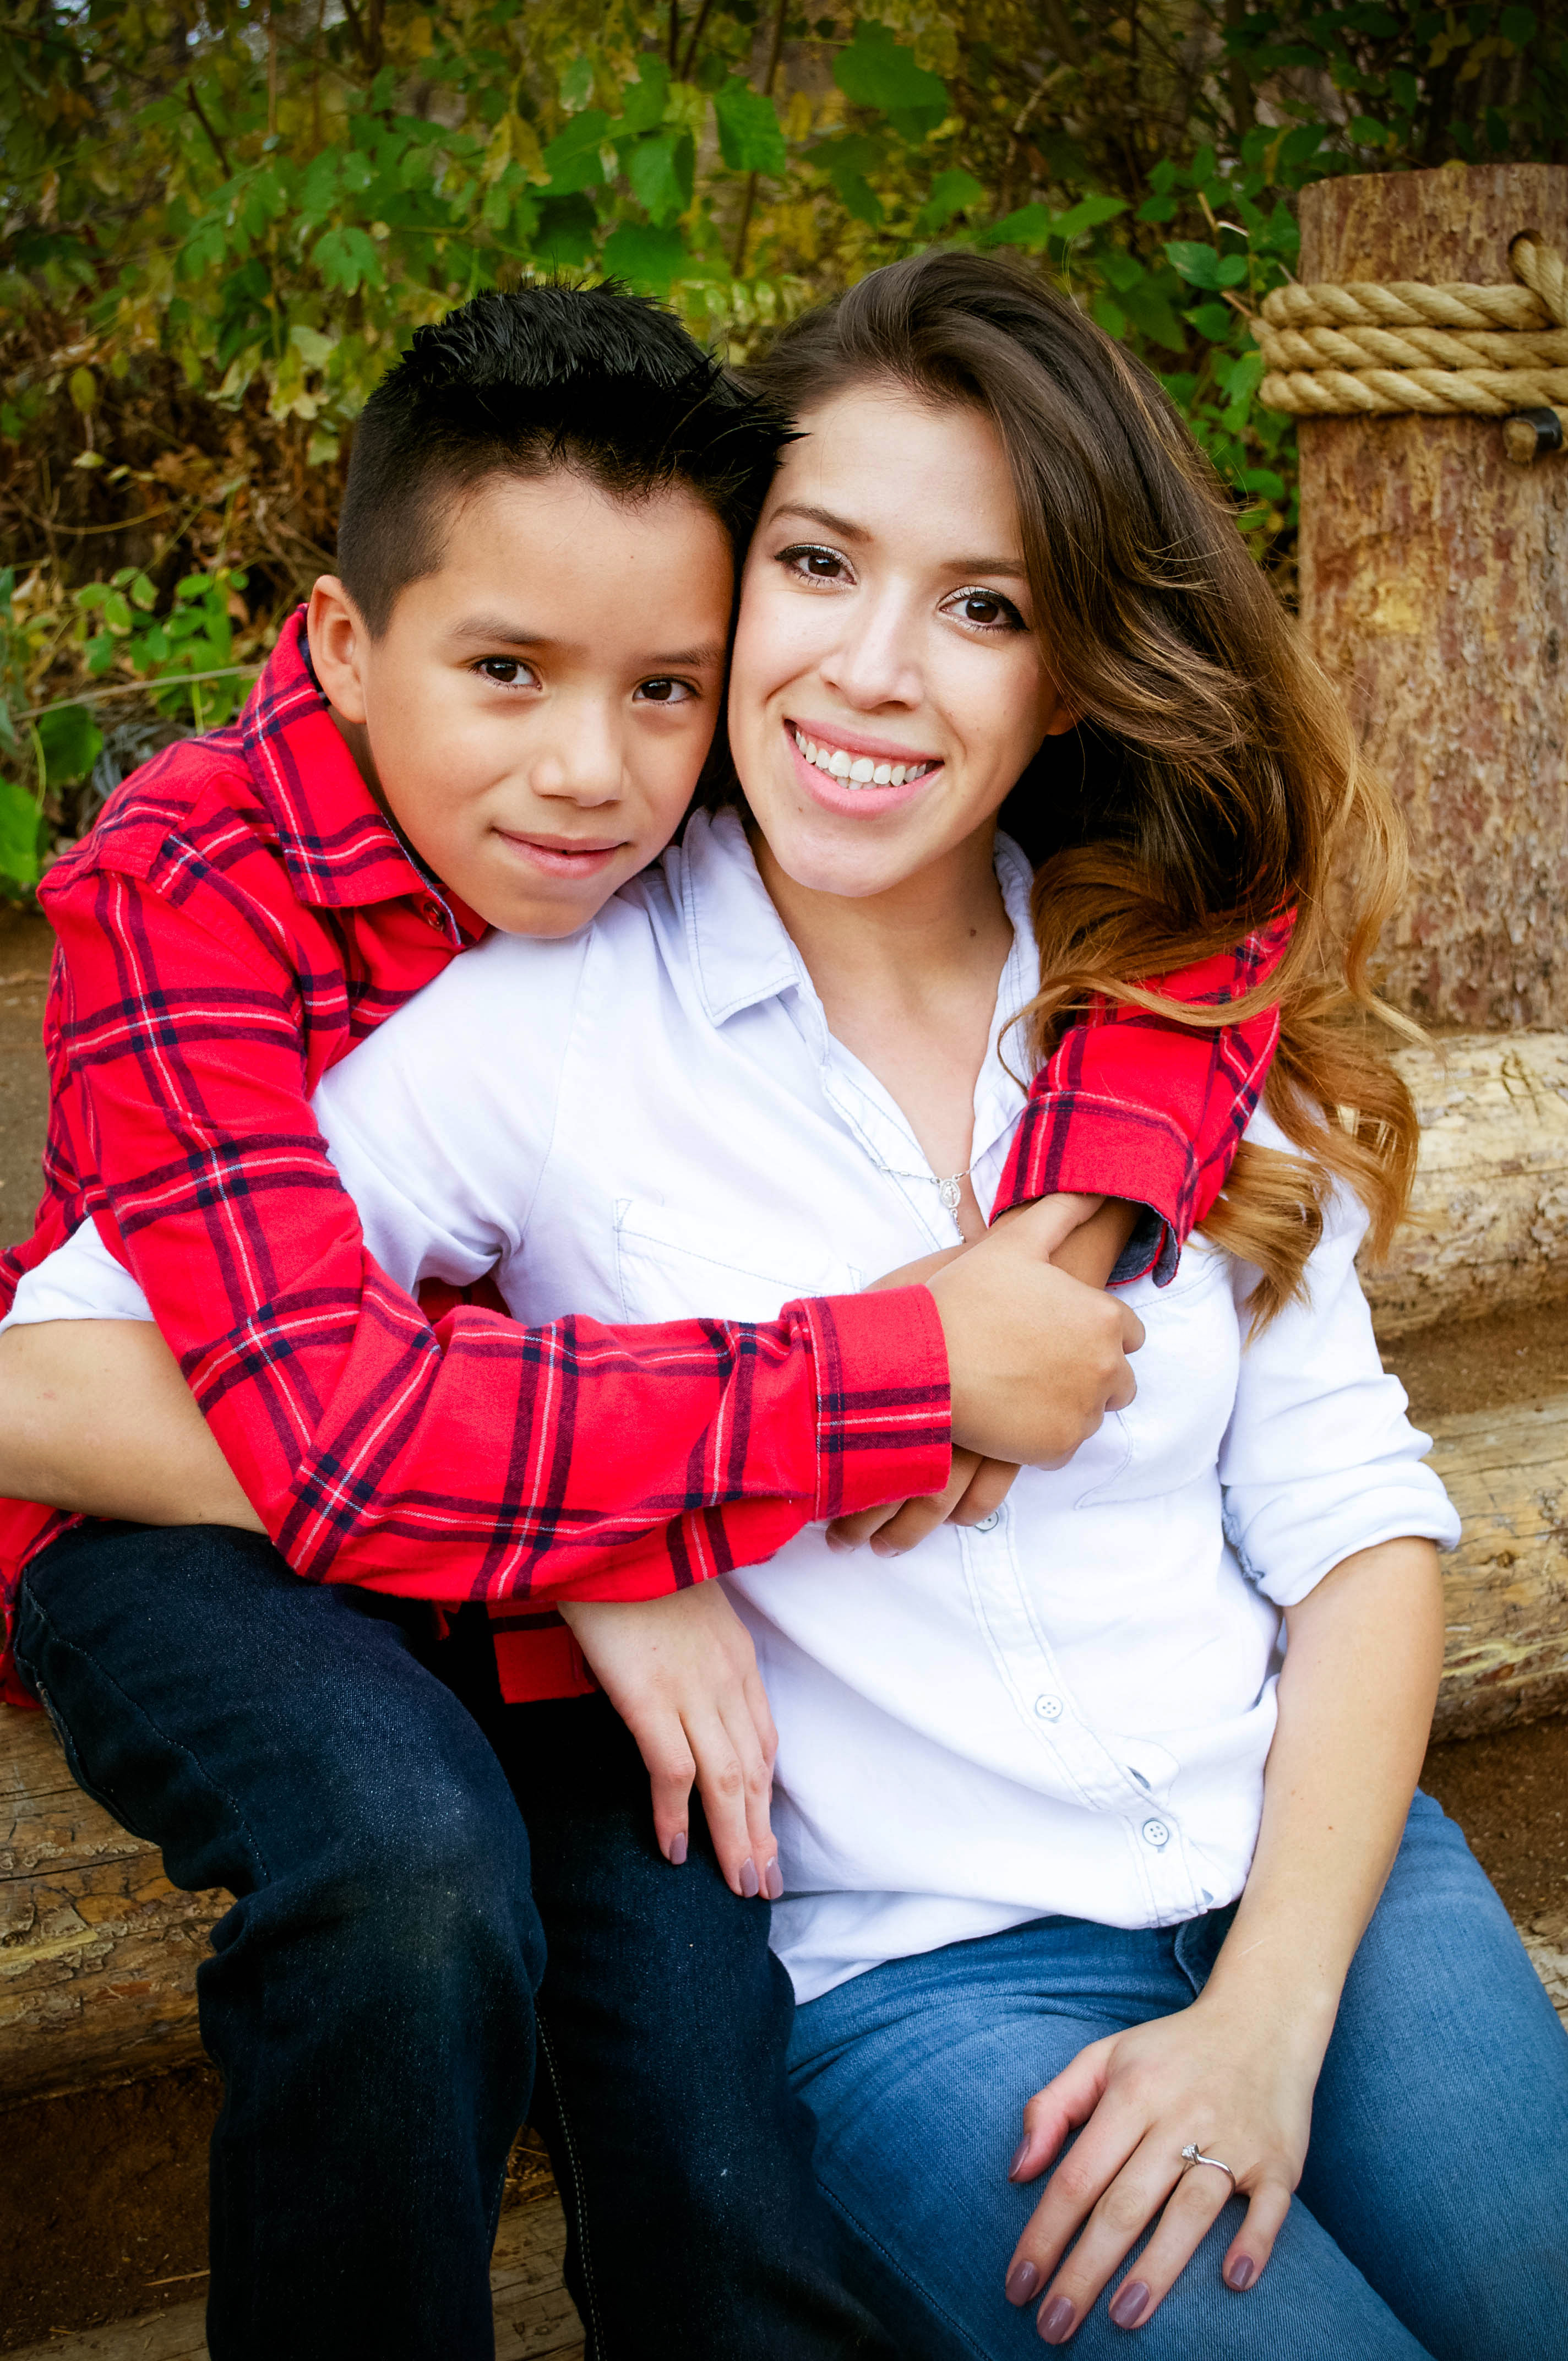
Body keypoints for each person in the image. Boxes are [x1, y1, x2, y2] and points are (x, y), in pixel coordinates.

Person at [16, 247, 1567, 2358]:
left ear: (1076, 669)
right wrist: (648, 1514)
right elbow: (112, 1370)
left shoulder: (1155, 998)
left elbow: (1354, 1514)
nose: (875, 670)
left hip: (1323, 1882)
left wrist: (1276, 2009)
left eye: (989, 605)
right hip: (912, 1955)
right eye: (823, 565)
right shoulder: (528, 1010)